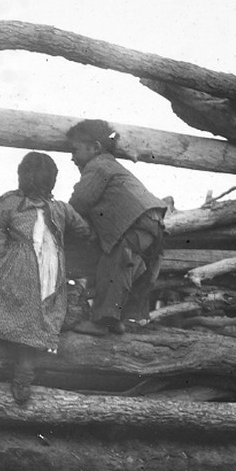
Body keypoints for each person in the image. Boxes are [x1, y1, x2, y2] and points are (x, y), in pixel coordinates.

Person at [0, 152, 93, 405]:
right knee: (39, 313)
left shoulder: (11, 206)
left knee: (18, 306)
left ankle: (24, 367)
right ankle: (26, 366)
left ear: (21, 179)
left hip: (22, 267)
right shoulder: (62, 209)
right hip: (51, 270)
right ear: (52, 181)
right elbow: (84, 230)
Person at [66, 119, 167, 336]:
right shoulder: (112, 165)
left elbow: (79, 202)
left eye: (75, 150)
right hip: (152, 223)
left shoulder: (98, 165)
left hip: (135, 222)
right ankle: (119, 321)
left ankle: (103, 322)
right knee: (132, 271)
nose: (72, 157)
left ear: (95, 147)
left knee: (114, 264)